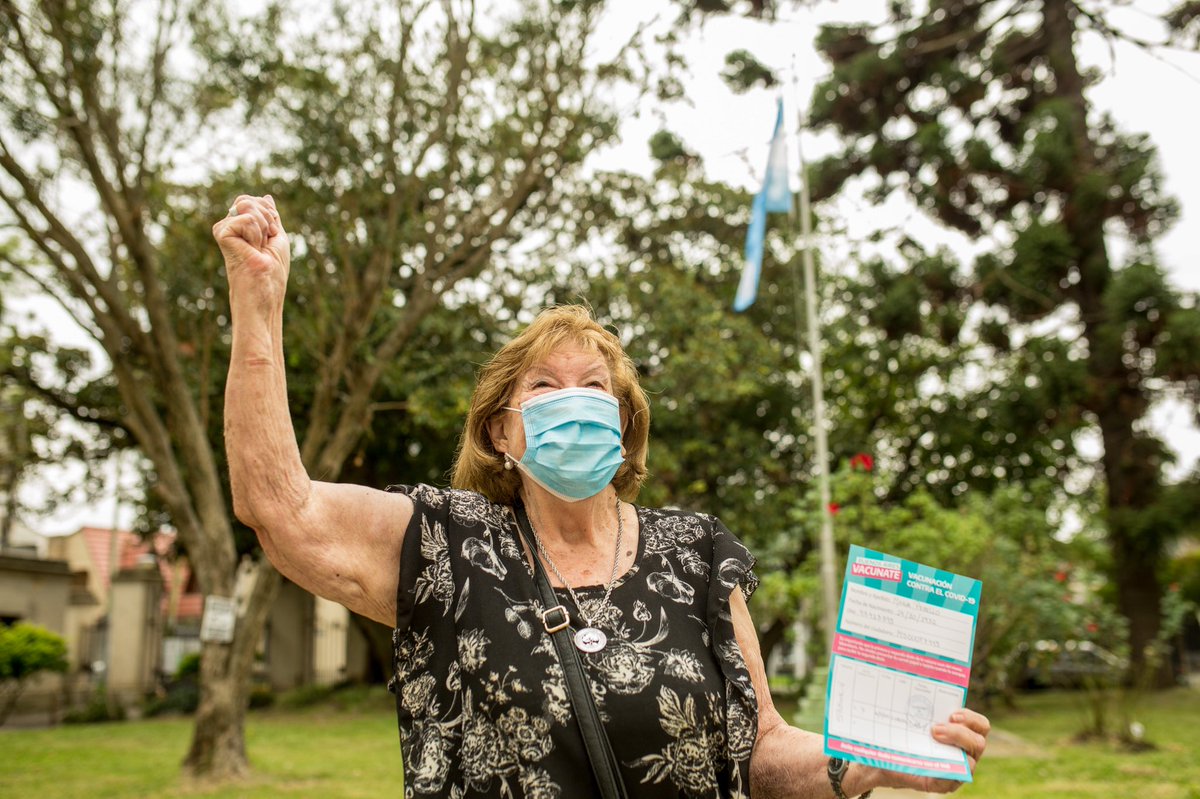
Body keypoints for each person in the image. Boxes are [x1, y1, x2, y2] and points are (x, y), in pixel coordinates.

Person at [216, 194, 991, 799]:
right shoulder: (445, 544)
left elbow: (759, 751)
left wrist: (862, 764)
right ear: (500, 431)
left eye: (595, 387)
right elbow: (281, 508)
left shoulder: (698, 555)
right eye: (545, 386)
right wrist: (259, 301)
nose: (575, 401)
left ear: (624, 423)